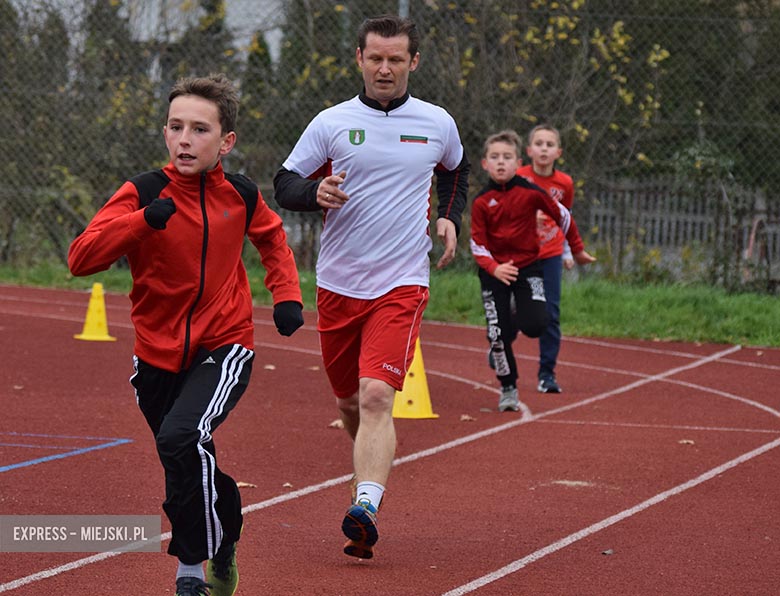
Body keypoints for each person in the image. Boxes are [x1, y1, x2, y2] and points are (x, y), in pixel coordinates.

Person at [68, 73, 304, 596]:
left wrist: (285, 295)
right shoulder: (143, 191)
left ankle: (190, 571)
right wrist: (140, 224)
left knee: (181, 439)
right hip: (155, 353)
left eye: (199, 129)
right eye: (176, 127)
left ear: (225, 142)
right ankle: (226, 532)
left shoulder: (240, 193)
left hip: (226, 343)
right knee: (185, 458)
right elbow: (80, 257)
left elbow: (273, 241)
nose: (184, 139)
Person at [273, 14, 470, 560]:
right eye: (376, 58)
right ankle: (368, 466)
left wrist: (451, 217)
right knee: (349, 401)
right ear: (359, 59)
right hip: (339, 284)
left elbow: (456, 170)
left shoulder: (437, 122)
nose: (385, 68)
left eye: (396, 59)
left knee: (378, 394)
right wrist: (316, 194)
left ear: (414, 62)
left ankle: (365, 505)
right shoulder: (331, 122)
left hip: (402, 282)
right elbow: (284, 181)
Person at [469, 129, 594, 412]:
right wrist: (494, 267)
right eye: (494, 157)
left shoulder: (531, 193)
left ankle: (516, 312)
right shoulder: (480, 201)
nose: (501, 162)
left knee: (538, 323)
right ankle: (508, 388)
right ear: (485, 163)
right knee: (498, 338)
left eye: (507, 157)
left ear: (517, 164)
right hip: (494, 273)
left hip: (528, 268)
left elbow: (562, 215)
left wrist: (576, 249)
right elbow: (476, 243)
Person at [517, 124, 575, 394]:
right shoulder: (518, 177)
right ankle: (499, 343)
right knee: (513, 307)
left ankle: (547, 373)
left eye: (549, 144)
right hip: (519, 252)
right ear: (529, 151)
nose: (543, 148)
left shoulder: (564, 184)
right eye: (538, 143)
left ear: (558, 152)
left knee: (550, 313)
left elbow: (566, 216)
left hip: (550, 253)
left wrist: (566, 251)